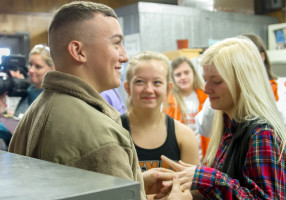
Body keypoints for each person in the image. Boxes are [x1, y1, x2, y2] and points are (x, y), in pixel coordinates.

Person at [8, 2, 173, 199]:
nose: (125, 56)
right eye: (116, 43)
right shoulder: (100, 135)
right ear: (78, 51)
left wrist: (134, 184)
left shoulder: (37, 111)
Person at [158, 37, 286, 199]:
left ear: (243, 82)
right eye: (205, 80)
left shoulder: (262, 134)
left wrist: (208, 178)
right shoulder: (229, 127)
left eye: (216, 81)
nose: (206, 89)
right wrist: (185, 187)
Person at [196, 33, 286, 138]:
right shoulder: (222, 88)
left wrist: (246, 107)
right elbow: (204, 127)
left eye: (217, 81)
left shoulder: (282, 85)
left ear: (261, 57)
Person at [121, 51, 200, 172]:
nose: (149, 89)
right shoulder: (113, 132)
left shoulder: (184, 136)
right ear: (127, 88)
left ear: (168, 88)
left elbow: (194, 189)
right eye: (140, 81)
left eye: (157, 82)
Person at [164, 56, 209, 161]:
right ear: (172, 78)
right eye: (178, 74)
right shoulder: (168, 102)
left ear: (193, 72)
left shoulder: (207, 96)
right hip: (181, 158)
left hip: (206, 156)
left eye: (186, 72)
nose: (183, 77)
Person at [13, 44, 55, 118]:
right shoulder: (27, 92)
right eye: (30, 64)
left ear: (52, 69)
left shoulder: (54, 98)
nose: (31, 70)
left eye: (38, 66)